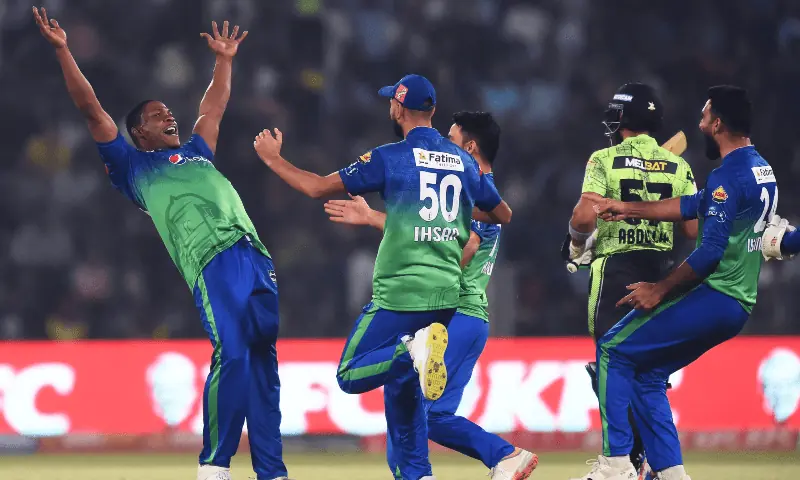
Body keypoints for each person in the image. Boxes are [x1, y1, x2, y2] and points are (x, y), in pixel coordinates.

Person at [33, 8, 289, 480]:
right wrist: (64, 50)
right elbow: (91, 108)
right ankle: (213, 466)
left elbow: (213, 107)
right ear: (139, 133)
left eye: (168, 111)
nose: (167, 114)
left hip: (255, 256)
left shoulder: (195, 151)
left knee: (262, 366)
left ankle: (271, 472)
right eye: (156, 115)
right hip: (212, 261)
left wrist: (225, 62)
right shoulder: (132, 168)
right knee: (231, 353)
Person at [252, 75, 512, 480]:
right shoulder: (462, 162)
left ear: (398, 108)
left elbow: (317, 187)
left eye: (392, 101)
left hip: (401, 294)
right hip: (446, 298)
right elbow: (503, 214)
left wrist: (272, 159)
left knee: (351, 371)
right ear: (432, 112)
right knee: (405, 391)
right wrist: (453, 213)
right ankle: (417, 474)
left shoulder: (389, 157)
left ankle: (411, 350)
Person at [323, 111, 537, 480]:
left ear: (470, 146)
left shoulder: (465, 185)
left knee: (411, 409)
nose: (441, 144)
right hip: (468, 317)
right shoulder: (479, 185)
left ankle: (498, 457)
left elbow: (462, 242)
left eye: (451, 138)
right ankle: (502, 458)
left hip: (453, 314)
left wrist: (373, 218)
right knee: (427, 414)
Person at [581, 85, 774, 480]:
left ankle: (616, 464)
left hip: (717, 294)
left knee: (614, 351)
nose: (699, 125)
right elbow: (691, 207)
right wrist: (628, 206)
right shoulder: (760, 168)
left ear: (717, 123)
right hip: (739, 302)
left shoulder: (729, 175)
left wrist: (659, 288)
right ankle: (671, 474)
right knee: (648, 375)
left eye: (705, 118)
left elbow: (708, 253)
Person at [565, 83, 698, 480]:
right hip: (662, 275)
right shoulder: (680, 166)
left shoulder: (604, 158)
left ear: (622, 119)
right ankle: (660, 465)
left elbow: (584, 218)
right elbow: (691, 229)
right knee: (649, 376)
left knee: (610, 364)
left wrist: (575, 240)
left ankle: (620, 462)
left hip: (617, 273)